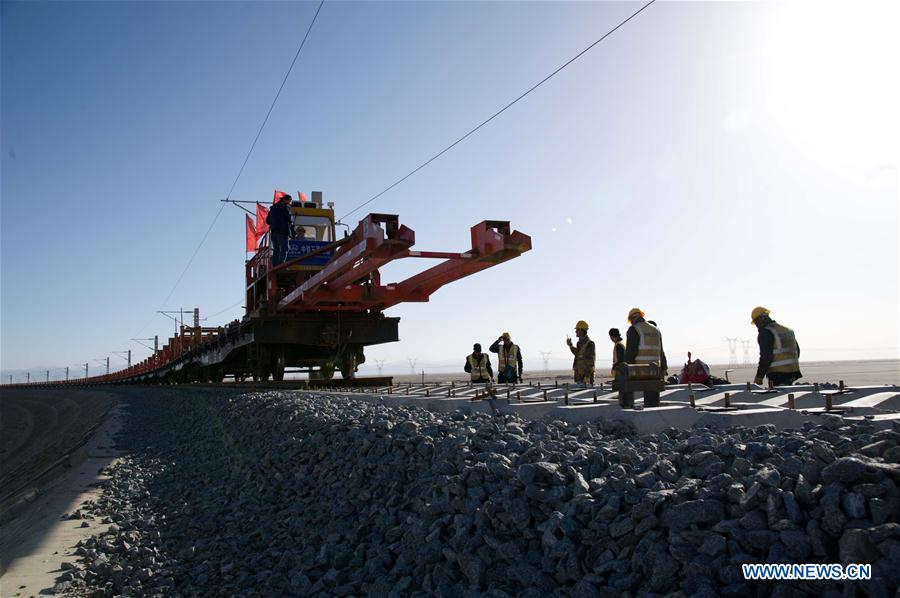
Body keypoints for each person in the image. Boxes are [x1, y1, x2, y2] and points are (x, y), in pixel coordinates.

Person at [620, 308, 665, 408]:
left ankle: (628, 408)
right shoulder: (656, 329)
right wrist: (663, 369)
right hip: (655, 372)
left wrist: (625, 370)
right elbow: (661, 352)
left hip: (639, 372)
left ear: (632, 318)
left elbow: (631, 353)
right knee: (652, 402)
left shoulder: (634, 329)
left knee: (626, 392)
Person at [751, 306, 801, 386]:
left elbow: (766, 356)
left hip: (778, 374)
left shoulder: (765, 332)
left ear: (761, 319)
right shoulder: (787, 330)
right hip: (793, 372)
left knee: (779, 397)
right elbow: (797, 351)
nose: (756, 325)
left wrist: (759, 376)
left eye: (756, 322)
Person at [265, 193, 294, 266]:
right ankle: (281, 264)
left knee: (276, 249)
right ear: (287, 200)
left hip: (274, 232)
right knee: (285, 248)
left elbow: (267, 220)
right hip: (283, 231)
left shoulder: (273, 208)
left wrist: (274, 224)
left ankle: (275, 265)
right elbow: (289, 218)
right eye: (290, 201)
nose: (290, 203)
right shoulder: (285, 207)